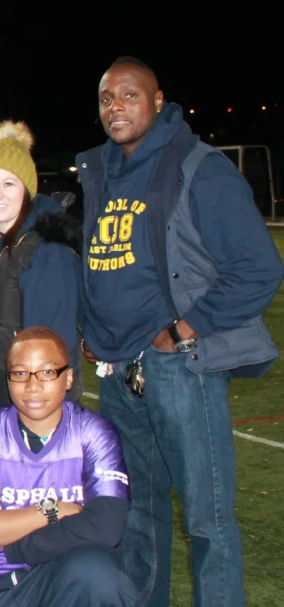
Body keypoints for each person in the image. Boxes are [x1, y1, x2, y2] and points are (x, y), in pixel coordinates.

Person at [78, 57, 283, 606]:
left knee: (206, 519)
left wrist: (186, 328)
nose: (115, 106)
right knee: (137, 516)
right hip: (118, 371)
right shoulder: (100, 171)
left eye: (128, 95)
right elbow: (102, 260)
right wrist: (92, 326)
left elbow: (259, 269)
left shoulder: (198, 167)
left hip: (179, 367)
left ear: (159, 101)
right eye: (105, 98)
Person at [0, 327, 136, 606]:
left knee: (98, 574)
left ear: (68, 378)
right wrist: (52, 510)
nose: (32, 386)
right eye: (20, 373)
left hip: (59, 574)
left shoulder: (92, 432)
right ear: (8, 380)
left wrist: (9, 540)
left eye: (47, 372)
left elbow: (107, 527)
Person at [0, 121, 81, 424]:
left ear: (27, 190)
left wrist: (40, 417)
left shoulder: (47, 253)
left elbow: (54, 348)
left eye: (9, 183)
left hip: (21, 407)